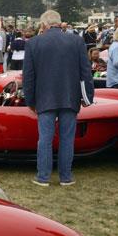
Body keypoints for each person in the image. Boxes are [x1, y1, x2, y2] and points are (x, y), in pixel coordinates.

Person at [23, 10, 94, 187]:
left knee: (45, 139)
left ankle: (43, 177)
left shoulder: (33, 43)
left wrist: (30, 101)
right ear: (59, 23)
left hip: (44, 97)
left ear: (44, 24)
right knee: (67, 139)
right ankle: (66, 177)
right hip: (70, 96)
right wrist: (88, 97)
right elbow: (86, 73)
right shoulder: (76, 41)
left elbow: (28, 77)